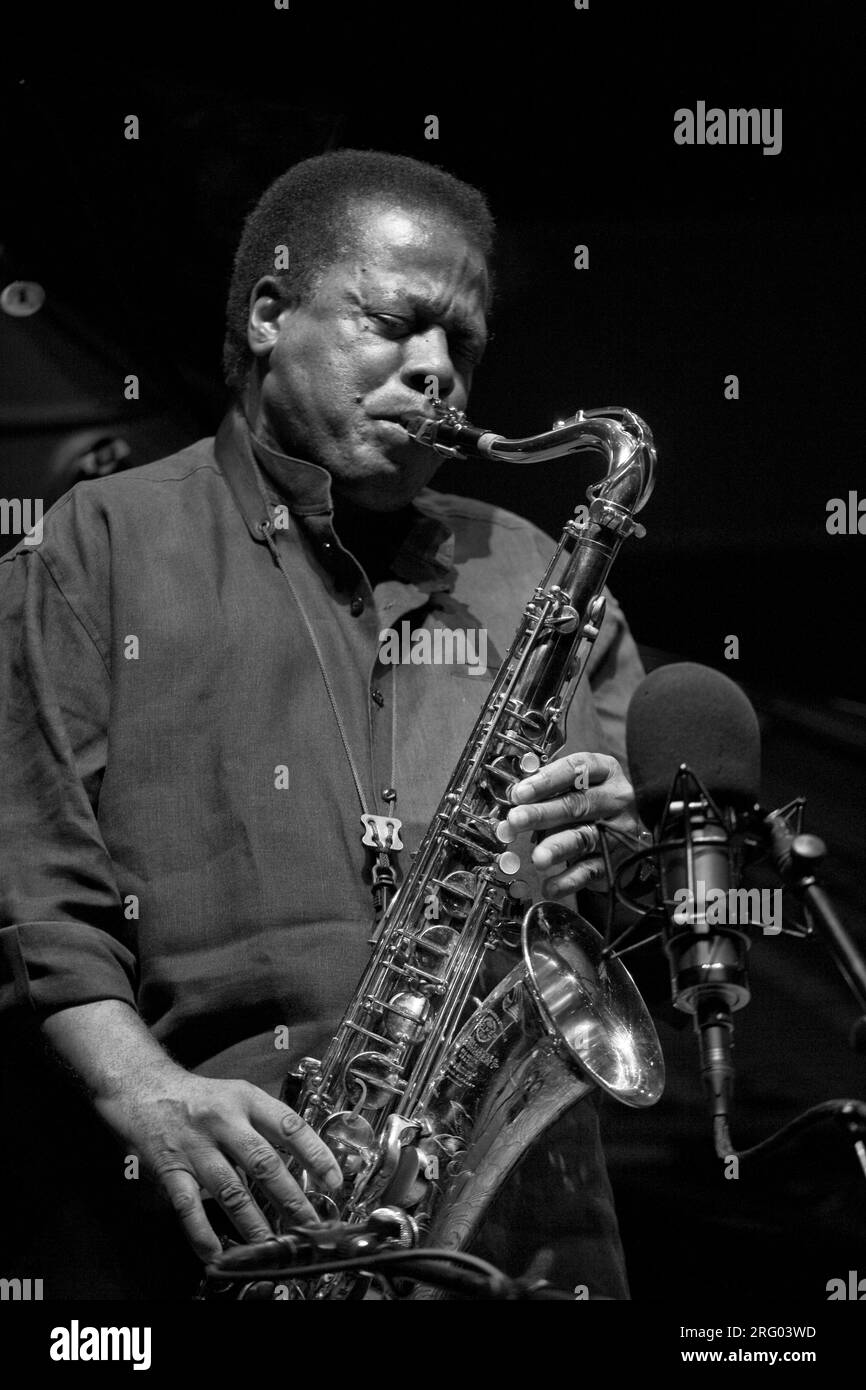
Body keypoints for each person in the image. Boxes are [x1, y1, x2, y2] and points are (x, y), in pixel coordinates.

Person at [0, 150, 646, 1300]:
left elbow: (632, 907)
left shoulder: (535, 575)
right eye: (396, 323)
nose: (438, 372)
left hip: (506, 1237)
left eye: (464, 345)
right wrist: (141, 1089)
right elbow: (32, 888)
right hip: (203, 1220)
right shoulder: (97, 546)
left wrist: (610, 848)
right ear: (266, 314)